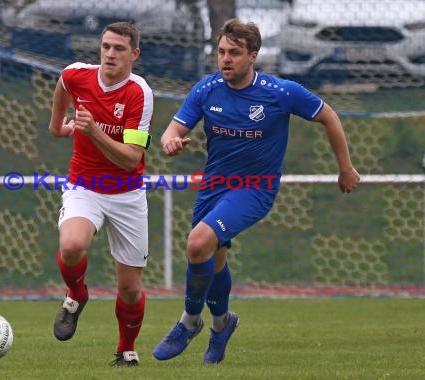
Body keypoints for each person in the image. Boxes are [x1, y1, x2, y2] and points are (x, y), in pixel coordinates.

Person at [152, 19, 360, 364]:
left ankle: (189, 322)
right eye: (221, 52)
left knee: (197, 243)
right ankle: (222, 325)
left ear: (253, 56)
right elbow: (173, 128)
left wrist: (346, 168)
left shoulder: (280, 92)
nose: (225, 59)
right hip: (214, 188)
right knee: (212, 257)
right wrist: (169, 140)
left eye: (234, 52)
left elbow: (330, 117)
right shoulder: (206, 89)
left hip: (255, 189)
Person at [48, 22, 153, 367]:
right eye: (106, 46)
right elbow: (63, 82)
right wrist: (56, 124)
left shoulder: (139, 93)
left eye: (119, 48)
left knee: (130, 288)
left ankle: (125, 350)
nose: (110, 53)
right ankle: (77, 294)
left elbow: (130, 159)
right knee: (72, 245)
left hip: (127, 192)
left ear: (134, 54)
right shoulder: (79, 75)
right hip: (85, 185)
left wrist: (92, 130)